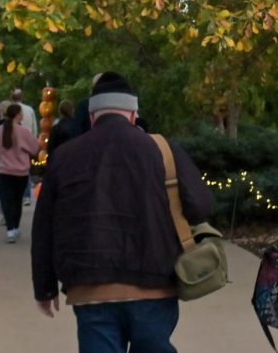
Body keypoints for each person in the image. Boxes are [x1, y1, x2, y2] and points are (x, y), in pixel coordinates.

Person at [31, 72, 212, 352]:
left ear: (92, 117)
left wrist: (44, 287)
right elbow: (201, 206)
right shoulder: (163, 150)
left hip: (90, 287)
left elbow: (44, 227)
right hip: (155, 281)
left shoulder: (64, 157)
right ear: (133, 114)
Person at [0, 103, 38, 243]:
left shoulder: (1, 129)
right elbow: (35, 148)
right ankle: (15, 227)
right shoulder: (24, 131)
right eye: (21, 113)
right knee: (17, 201)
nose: (23, 115)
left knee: (7, 200)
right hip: (21, 171)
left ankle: (10, 229)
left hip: (4, 170)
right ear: (17, 114)